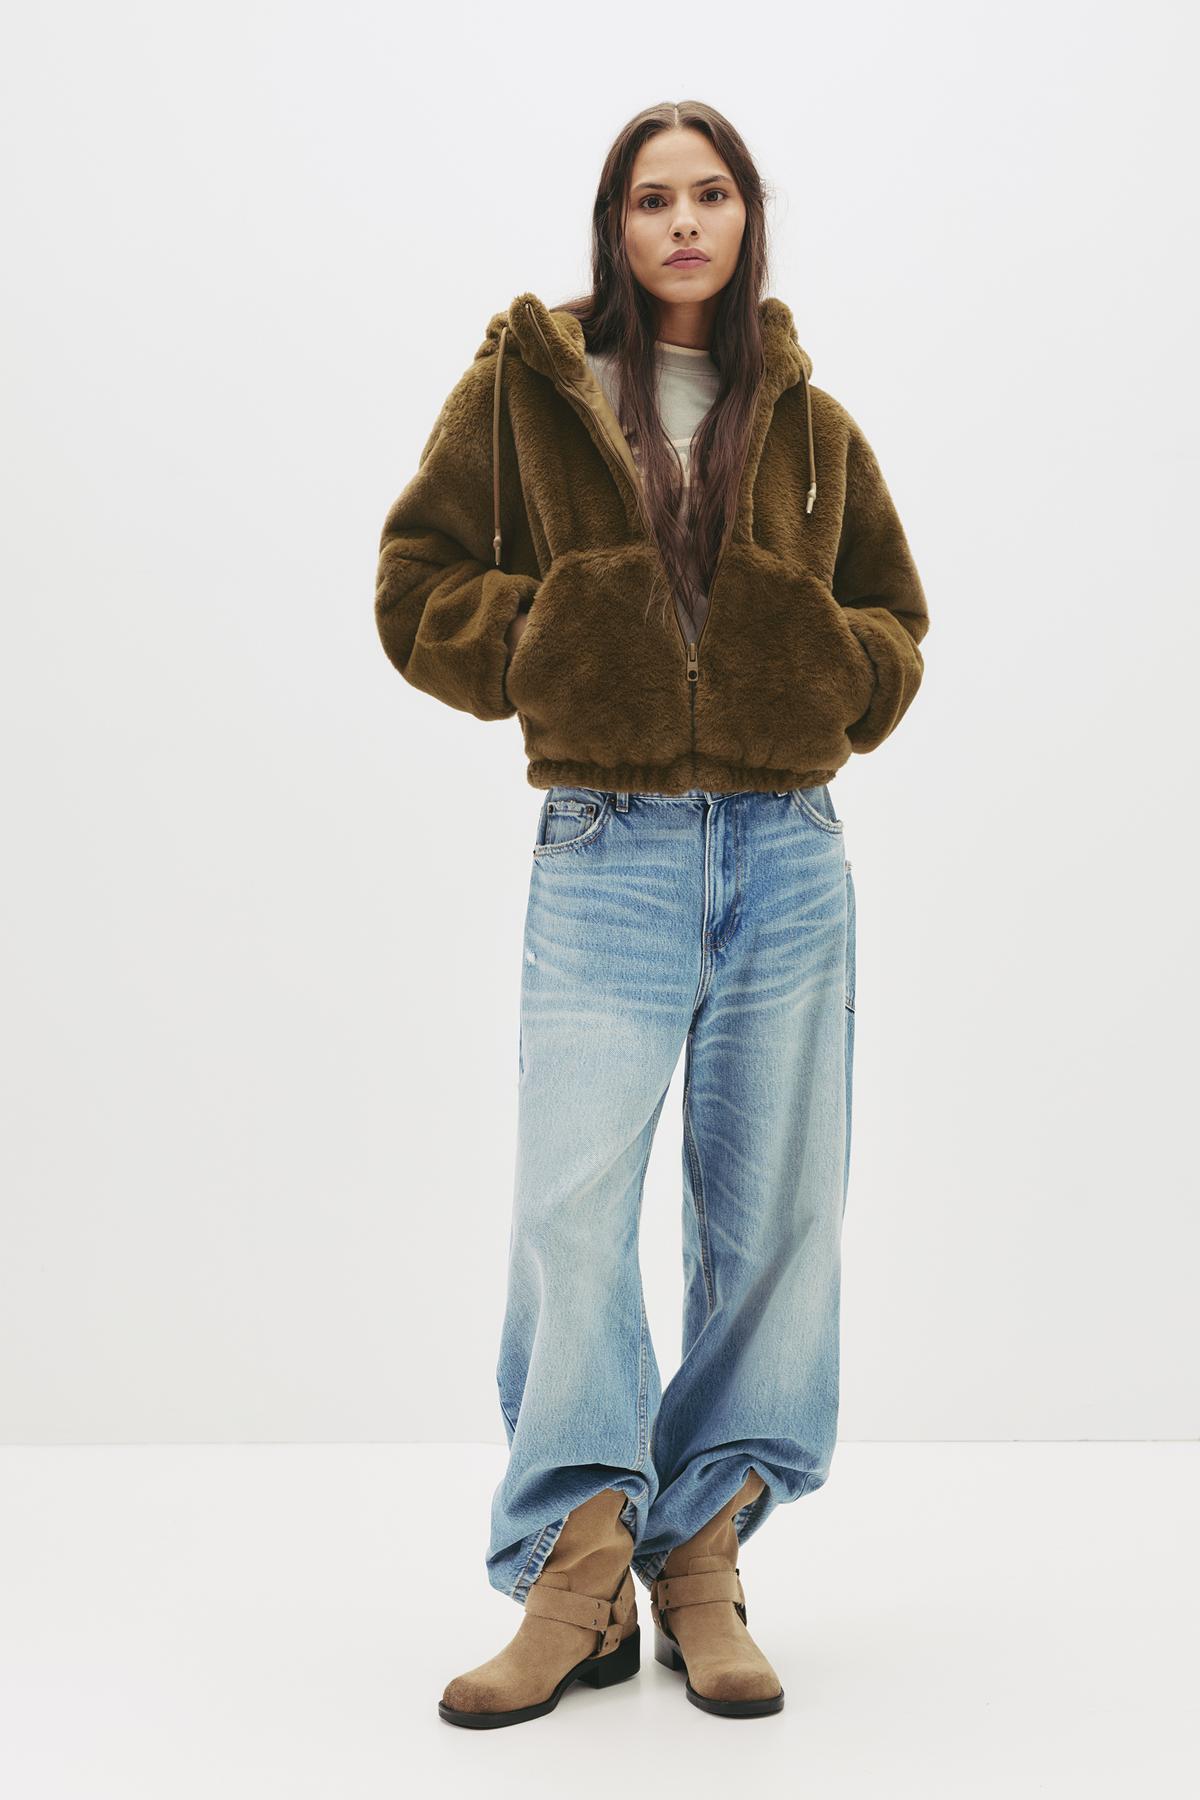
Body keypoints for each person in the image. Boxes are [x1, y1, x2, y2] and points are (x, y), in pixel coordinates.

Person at [374, 100, 929, 1728]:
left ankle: (704, 1554)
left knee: (778, 1219)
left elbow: (895, 621)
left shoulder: (809, 423)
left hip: (787, 850)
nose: (683, 223)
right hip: (606, 847)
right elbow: (415, 586)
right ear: (614, 227)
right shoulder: (526, 391)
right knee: (570, 1212)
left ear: (746, 218)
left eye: (710, 195)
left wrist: (826, 665)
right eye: (650, 198)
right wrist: (556, 635)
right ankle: (577, 1567)